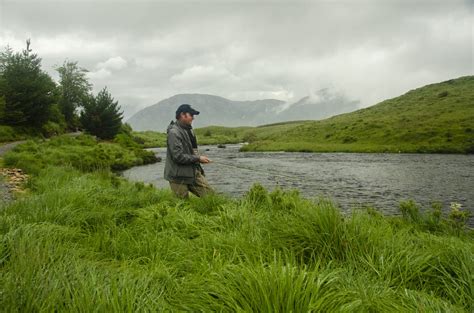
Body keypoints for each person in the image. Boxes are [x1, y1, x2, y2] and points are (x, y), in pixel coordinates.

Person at [164, 104, 213, 198]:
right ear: (183, 115)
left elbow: (192, 151)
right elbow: (178, 156)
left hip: (192, 173)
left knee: (211, 197)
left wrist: (198, 160)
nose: (193, 118)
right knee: (182, 206)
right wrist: (198, 158)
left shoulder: (189, 130)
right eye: (191, 115)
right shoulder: (174, 132)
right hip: (177, 177)